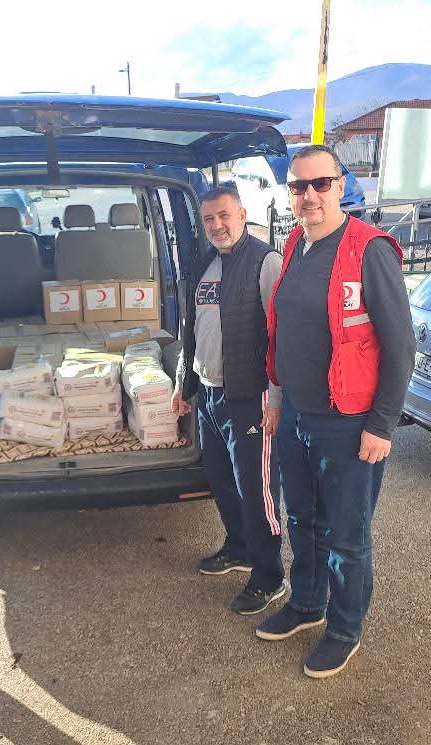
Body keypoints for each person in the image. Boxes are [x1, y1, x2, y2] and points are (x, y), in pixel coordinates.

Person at [255, 145, 416, 678]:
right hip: (297, 416)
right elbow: (284, 334)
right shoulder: (294, 245)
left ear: (341, 186)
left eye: (320, 183)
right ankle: (307, 604)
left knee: (346, 536)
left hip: (348, 421)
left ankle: (345, 631)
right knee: (303, 520)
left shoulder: (369, 250)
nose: (309, 195)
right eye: (298, 186)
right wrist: (277, 401)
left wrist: (381, 425)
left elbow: (401, 346)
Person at [172, 186, 286, 615]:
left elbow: (280, 336)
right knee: (221, 481)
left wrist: (275, 400)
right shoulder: (206, 264)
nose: (216, 225)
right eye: (208, 219)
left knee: (257, 491)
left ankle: (269, 576)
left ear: (241, 213)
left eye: (224, 215)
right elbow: (192, 329)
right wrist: (183, 384)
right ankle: (239, 548)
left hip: (249, 397)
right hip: (209, 394)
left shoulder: (264, 261)